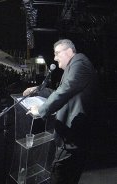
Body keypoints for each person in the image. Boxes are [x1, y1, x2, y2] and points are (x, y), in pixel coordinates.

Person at [23, 39, 98, 184]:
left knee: (60, 176)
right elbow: (58, 91)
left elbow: (65, 89)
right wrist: (38, 90)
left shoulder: (79, 62)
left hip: (73, 138)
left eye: (57, 53)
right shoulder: (73, 67)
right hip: (72, 137)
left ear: (69, 52)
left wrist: (41, 109)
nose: (55, 58)